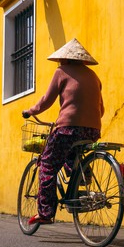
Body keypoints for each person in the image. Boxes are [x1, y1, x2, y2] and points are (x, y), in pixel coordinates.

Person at [22, 38, 104, 225]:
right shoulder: (94, 76)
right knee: (70, 152)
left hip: (68, 129)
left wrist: (30, 111)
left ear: (64, 59)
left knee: (48, 165)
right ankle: (81, 174)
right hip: (92, 130)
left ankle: (45, 212)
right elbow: (102, 108)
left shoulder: (61, 72)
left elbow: (46, 100)